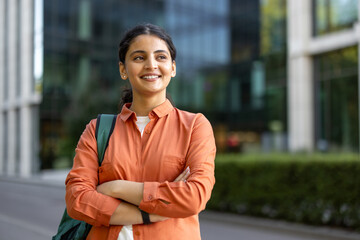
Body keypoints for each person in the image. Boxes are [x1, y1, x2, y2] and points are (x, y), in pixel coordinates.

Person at [65, 23, 216, 240]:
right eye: (139, 58)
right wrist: (151, 214)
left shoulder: (195, 126)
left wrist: (115, 187)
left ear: (173, 68)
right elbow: (76, 200)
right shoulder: (97, 130)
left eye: (161, 57)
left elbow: (195, 196)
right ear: (123, 70)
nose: (151, 65)